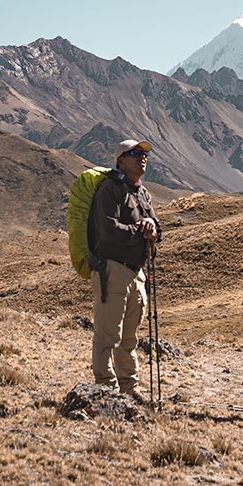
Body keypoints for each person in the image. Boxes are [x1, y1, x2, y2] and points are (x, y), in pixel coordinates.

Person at [87, 138, 161, 397]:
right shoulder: (110, 189)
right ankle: (105, 391)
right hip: (112, 270)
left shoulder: (142, 192)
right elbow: (108, 230)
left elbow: (155, 225)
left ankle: (129, 390)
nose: (143, 157)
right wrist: (140, 232)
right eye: (135, 153)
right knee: (108, 335)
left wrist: (152, 226)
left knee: (129, 338)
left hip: (135, 272)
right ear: (120, 160)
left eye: (144, 153)